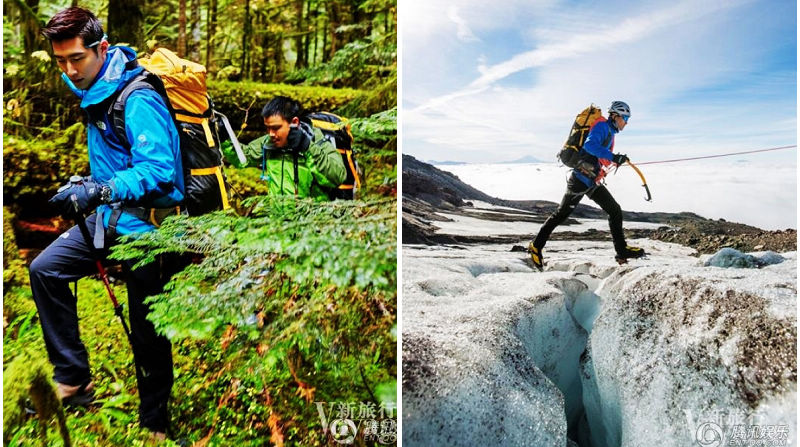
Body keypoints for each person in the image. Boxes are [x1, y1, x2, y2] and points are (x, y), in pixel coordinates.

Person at [30, 7, 184, 440]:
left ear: (101, 48)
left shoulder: (138, 98)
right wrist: (85, 186)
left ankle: (155, 424)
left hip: (152, 228)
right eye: (60, 61)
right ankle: (74, 378)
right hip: (110, 216)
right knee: (45, 270)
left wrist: (101, 189)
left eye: (76, 59)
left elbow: (158, 171)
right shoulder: (89, 79)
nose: (68, 70)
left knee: (147, 327)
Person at [528, 100, 645, 270]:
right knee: (561, 215)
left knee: (614, 210)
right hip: (579, 180)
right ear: (616, 116)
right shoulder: (603, 127)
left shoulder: (609, 131)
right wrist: (613, 158)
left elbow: (597, 155)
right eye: (625, 119)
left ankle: (621, 251)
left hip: (590, 180)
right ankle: (535, 247)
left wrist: (614, 160)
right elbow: (590, 145)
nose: (626, 123)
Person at [221, 96, 346, 200]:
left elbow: (337, 177)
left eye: (276, 128)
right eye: (268, 128)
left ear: (294, 122)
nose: (271, 133)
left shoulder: (316, 141)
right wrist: (224, 137)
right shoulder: (269, 143)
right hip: (278, 224)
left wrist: (307, 147)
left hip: (310, 224)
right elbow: (244, 158)